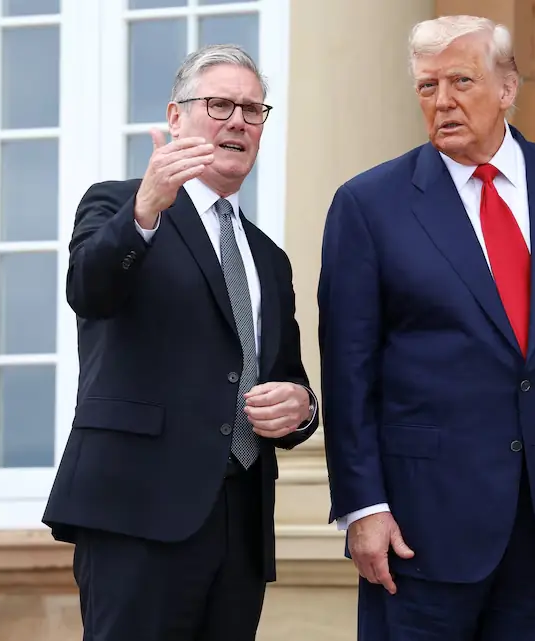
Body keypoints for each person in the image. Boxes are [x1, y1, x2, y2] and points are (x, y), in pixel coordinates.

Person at [317, 15, 535, 641]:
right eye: (426, 86)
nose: (442, 101)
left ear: (507, 87)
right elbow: (347, 371)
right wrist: (363, 506)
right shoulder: (368, 205)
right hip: (420, 530)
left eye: (460, 81)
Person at [42, 43, 319, 641]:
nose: (238, 121)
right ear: (175, 117)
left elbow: (287, 375)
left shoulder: (268, 258)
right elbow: (88, 292)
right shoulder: (120, 205)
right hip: (138, 508)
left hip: (239, 519)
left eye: (253, 110)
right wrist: (146, 209)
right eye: (220, 105)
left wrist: (302, 408)